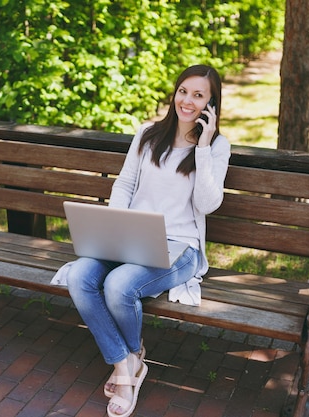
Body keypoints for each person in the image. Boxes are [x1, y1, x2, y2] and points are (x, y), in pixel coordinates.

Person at [55, 64, 230, 417]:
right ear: (174, 93)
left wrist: (204, 146)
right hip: (130, 236)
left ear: (211, 104)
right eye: (184, 91)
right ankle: (127, 362)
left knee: (119, 285)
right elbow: (123, 184)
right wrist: (115, 226)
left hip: (181, 248)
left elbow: (207, 204)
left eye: (199, 95)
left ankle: (128, 367)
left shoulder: (217, 147)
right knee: (79, 276)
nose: (187, 100)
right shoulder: (149, 133)